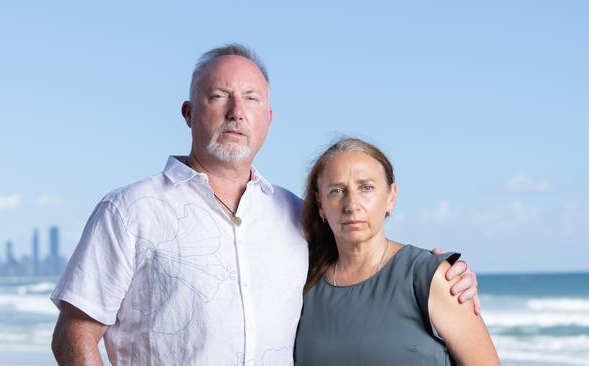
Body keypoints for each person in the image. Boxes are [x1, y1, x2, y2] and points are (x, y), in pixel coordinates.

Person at [50, 44, 480, 365]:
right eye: (219, 96)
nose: (237, 111)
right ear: (188, 112)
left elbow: (361, 267)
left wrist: (442, 276)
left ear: (268, 119)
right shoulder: (129, 210)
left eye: (252, 99)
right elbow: (75, 333)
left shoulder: (295, 215)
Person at [294, 137, 499, 365]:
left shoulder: (431, 277)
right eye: (337, 190)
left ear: (391, 196)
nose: (352, 205)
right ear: (320, 204)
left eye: (366, 188)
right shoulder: (303, 284)